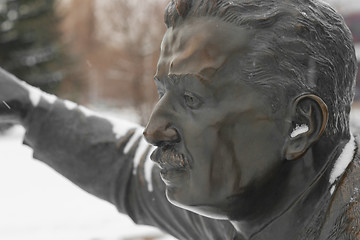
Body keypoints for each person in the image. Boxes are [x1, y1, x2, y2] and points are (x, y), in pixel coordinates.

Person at [0, 0, 359, 239]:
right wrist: (26, 106)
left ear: (300, 125)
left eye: (191, 99)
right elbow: (127, 167)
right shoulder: (257, 200)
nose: (153, 131)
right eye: (162, 94)